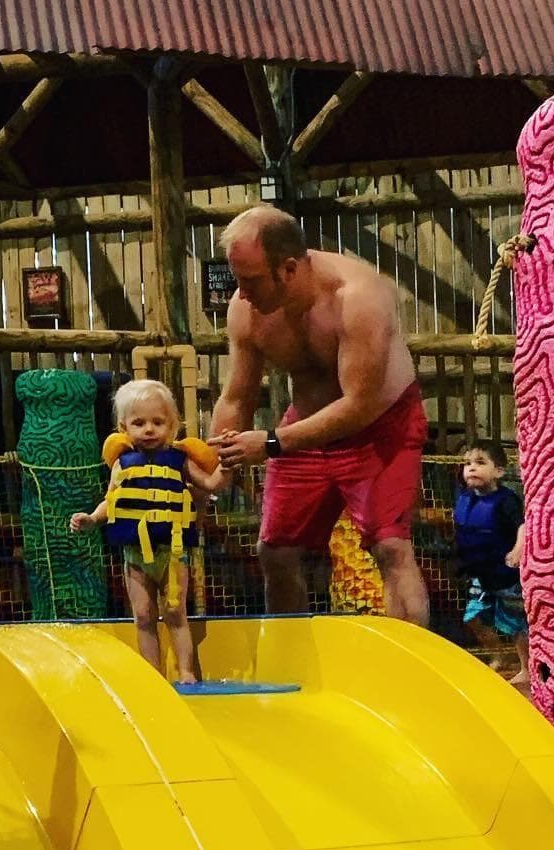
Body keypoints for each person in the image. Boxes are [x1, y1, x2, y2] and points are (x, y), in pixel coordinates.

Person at [208, 206, 430, 625]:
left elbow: (358, 405)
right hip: (305, 427)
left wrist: (271, 442)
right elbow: (236, 397)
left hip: (380, 424)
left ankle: (410, 674)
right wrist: (214, 467)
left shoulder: (358, 297)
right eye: (237, 278)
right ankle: (293, 667)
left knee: (391, 547)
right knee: (275, 551)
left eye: (251, 279)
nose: (241, 292)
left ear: (288, 269)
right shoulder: (245, 309)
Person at [70, 379, 225, 683]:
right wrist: (91, 519)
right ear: (123, 427)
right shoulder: (122, 464)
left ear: (172, 425)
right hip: (135, 554)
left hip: (173, 551)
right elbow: (111, 500)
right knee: (142, 616)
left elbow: (211, 484)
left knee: (175, 612)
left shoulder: (179, 461)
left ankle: (186, 672)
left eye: (158, 422)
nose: (149, 429)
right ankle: (152, 676)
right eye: (139, 423)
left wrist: (229, 463)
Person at [453, 439, 529, 684]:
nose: (471, 468)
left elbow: (523, 526)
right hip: (481, 573)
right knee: (472, 617)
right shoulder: (465, 498)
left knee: (518, 623)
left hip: (506, 574)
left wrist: (518, 549)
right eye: (467, 464)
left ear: (498, 471)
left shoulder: (506, 500)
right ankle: (498, 656)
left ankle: (525, 668)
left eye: (479, 463)